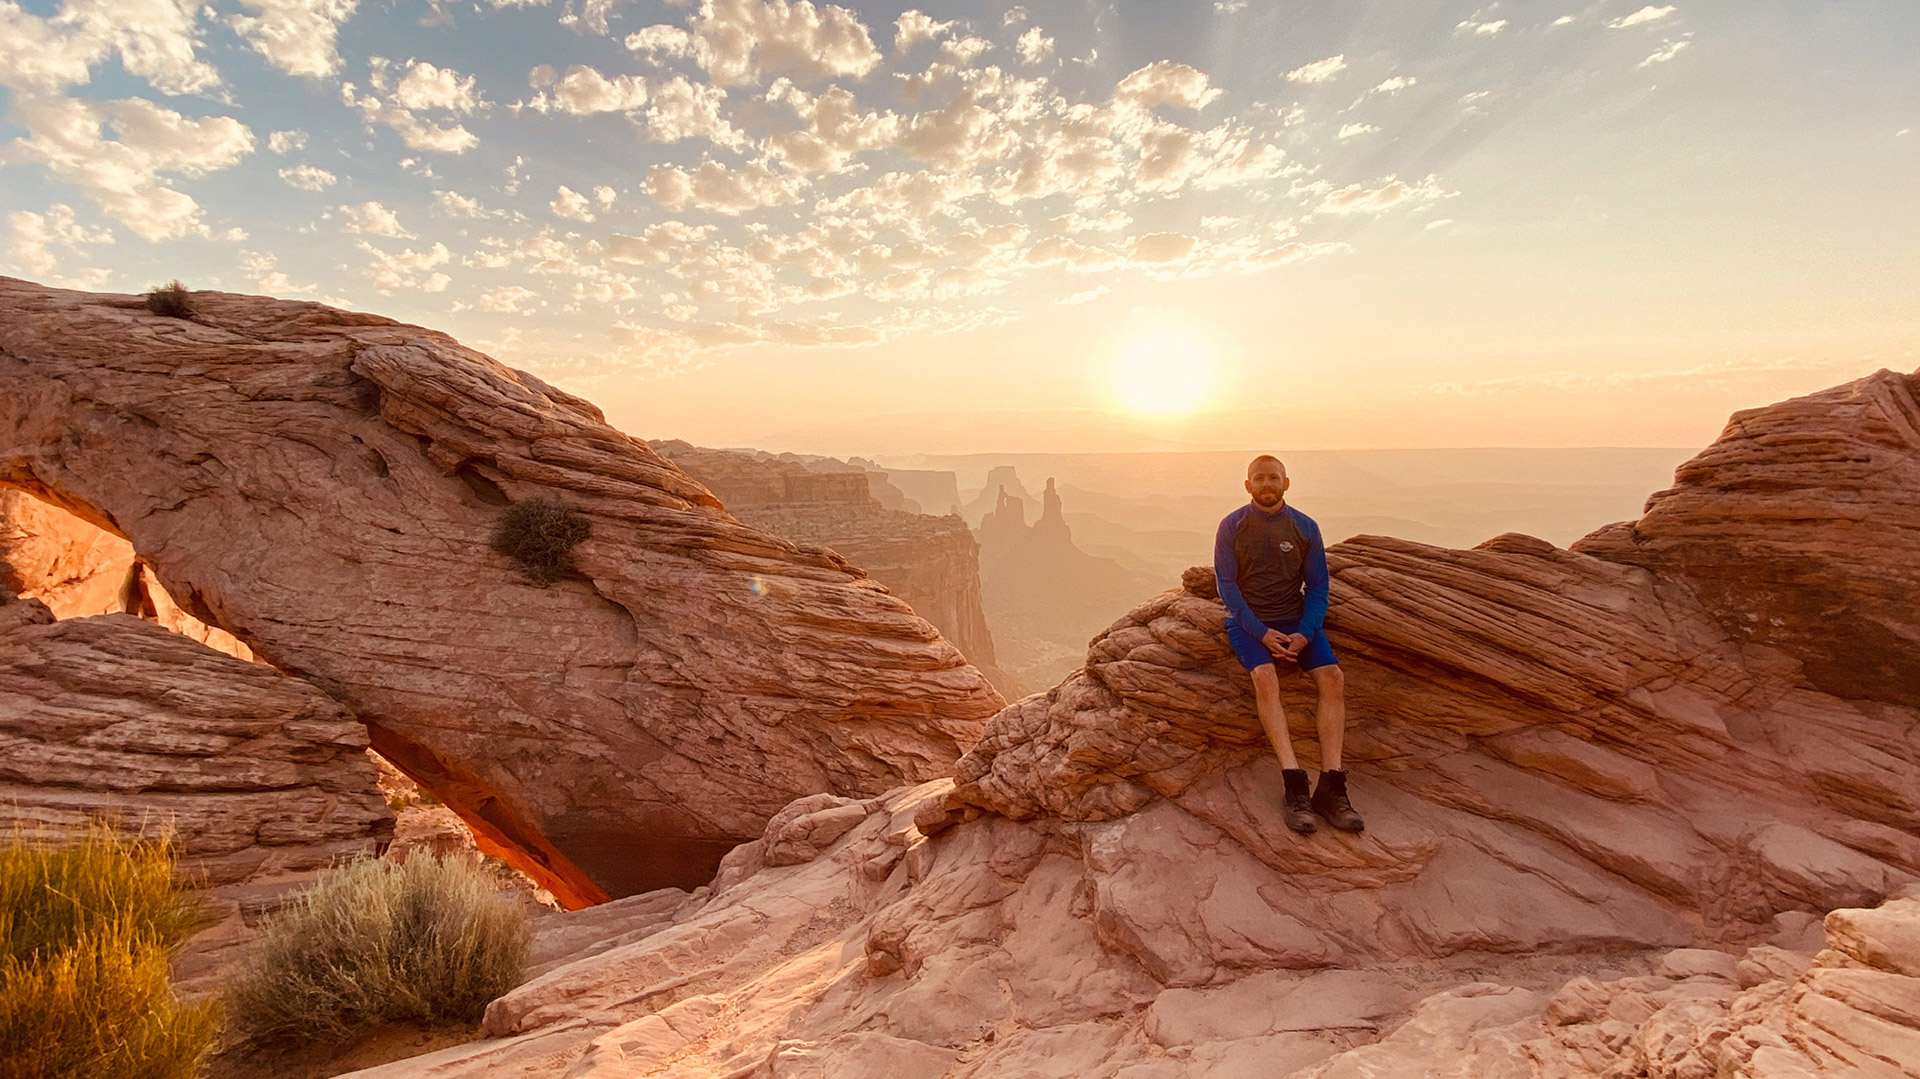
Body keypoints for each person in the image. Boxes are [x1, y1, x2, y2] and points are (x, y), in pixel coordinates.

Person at [1213, 454, 1363, 834]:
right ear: (1248, 485)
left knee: (1333, 678)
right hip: (1249, 624)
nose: (1267, 484)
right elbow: (1227, 588)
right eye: (1259, 479)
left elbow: (1317, 588)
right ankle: (1294, 784)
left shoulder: (1304, 527)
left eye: (1273, 478)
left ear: (1286, 483)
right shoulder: (1232, 526)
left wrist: (1304, 633)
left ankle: (1332, 786)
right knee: (1265, 677)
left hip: (1295, 621)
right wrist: (1262, 633)